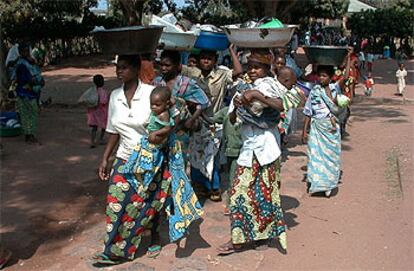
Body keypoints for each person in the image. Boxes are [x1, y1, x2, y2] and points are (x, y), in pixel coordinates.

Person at [95, 55, 202, 266]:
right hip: (125, 158)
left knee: (147, 203)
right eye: (118, 67)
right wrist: (105, 158)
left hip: (151, 159)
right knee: (115, 202)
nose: (119, 71)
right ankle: (114, 249)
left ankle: (153, 236)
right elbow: (114, 130)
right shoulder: (115, 95)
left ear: (136, 70)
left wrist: (162, 133)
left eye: (124, 68)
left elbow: (177, 116)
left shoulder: (152, 93)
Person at [217, 52, 304, 255]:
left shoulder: (271, 85)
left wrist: (257, 96)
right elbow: (231, 118)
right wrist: (237, 108)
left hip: (267, 147)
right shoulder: (244, 87)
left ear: (267, 69)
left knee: (264, 195)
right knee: (239, 193)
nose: (253, 70)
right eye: (251, 66)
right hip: (248, 147)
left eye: (257, 67)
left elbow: (283, 105)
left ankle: (261, 235)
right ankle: (238, 238)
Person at [188, 45, 242, 202]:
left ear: (215, 60)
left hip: (215, 122)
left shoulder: (222, 73)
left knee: (213, 157)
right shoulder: (191, 73)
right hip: (196, 121)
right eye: (203, 57)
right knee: (196, 156)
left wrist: (232, 50)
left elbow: (238, 72)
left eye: (209, 58)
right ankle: (199, 186)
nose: (206, 61)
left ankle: (214, 187)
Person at [302, 63, 348, 198]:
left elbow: (345, 77)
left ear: (331, 77)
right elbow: (308, 111)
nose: (321, 78)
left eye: (324, 76)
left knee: (331, 156)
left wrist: (348, 58)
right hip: (317, 127)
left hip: (331, 129)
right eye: (319, 75)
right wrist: (305, 131)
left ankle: (328, 185)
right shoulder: (315, 91)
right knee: (315, 155)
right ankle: (317, 184)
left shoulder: (335, 89)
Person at [211, 106, 242, 215]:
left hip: (246, 150)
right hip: (232, 151)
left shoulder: (252, 112)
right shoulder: (227, 111)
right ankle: (231, 203)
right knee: (232, 178)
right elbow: (213, 119)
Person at [14, 43, 44, 144]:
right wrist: (39, 82)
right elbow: (28, 80)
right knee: (31, 113)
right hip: (25, 93)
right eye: (24, 51)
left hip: (26, 92)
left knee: (27, 114)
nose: (26, 52)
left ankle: (28, 135)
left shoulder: (27, 62)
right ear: (20, 52)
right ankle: (30, 135)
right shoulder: (21, 65)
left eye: (27, 50)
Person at [87, 74, 109, 148]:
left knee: (94, 127)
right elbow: (104, 101)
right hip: (101, 112)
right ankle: (101, 139)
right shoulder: (103, 92)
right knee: (103, 126)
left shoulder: (92, 91)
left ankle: (92, 141)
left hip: (93, 112)